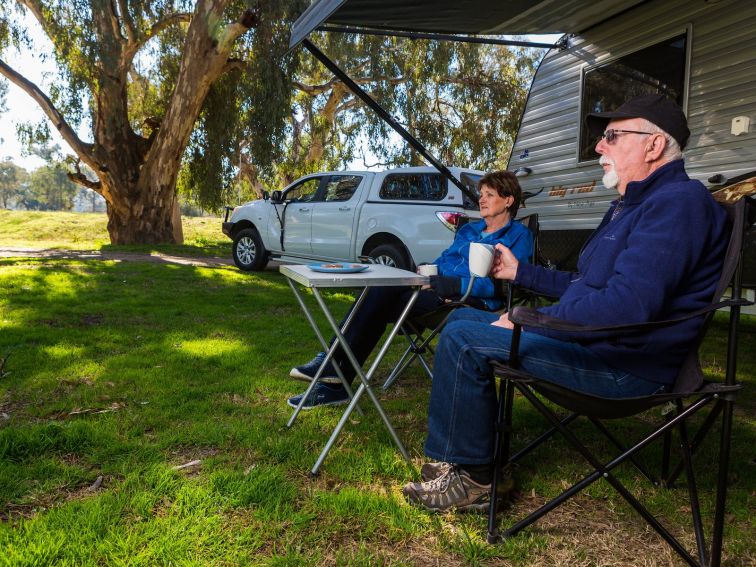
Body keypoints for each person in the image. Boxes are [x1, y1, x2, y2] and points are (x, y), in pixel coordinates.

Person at [403, 94, 729, 512]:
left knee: (464, 336)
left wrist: (531, 319)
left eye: (613, 136)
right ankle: (456, 457)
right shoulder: (631, 206)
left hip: (625, 366)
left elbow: (626, 306)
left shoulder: (678, 203)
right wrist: (523, 275)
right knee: (465, 316)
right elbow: (585, 284)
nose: (598, 146)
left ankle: (476, 481)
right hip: (596, 344)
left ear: (653, 146)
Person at [287, 170, 534, 409]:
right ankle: (333, 373)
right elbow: (445, 259)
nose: (481, 199)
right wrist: (427, 271)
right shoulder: (469, 230)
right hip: (435, 290)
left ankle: (332, 372)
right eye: (481, 194)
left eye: (489, 194)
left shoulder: (519, 236)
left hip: (466, 301)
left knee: (378, 300)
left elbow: (509, 282)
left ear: (508, 200)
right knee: (378, 291)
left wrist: (453, 285)